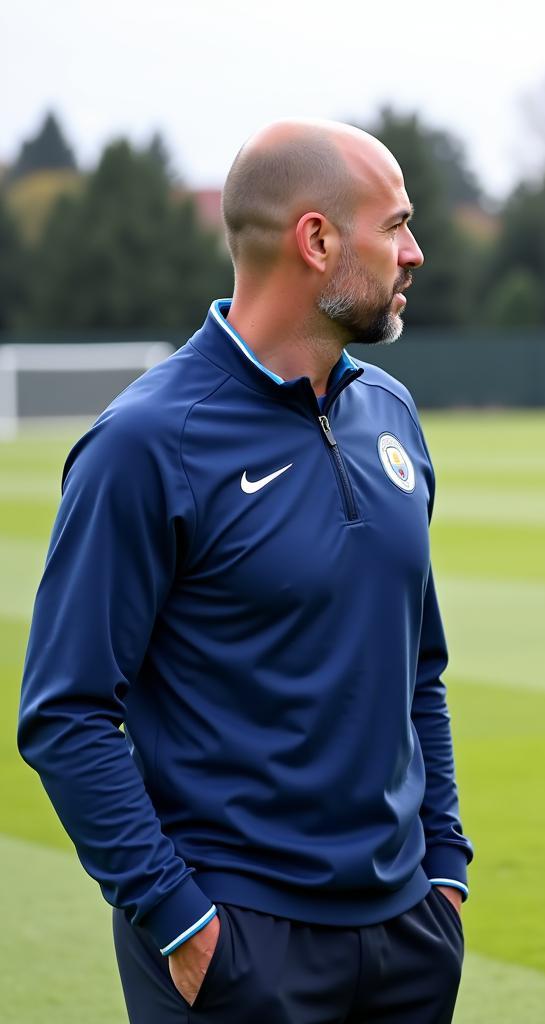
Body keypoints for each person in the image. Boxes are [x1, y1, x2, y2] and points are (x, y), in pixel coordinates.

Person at [18, 119, 471, 1024]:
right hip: (238, 947)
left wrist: (446, 872)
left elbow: (417, 668)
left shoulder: (392, 414)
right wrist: (183, 925)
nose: (415, 252)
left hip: (407, 937)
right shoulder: (145, 445)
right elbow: (66, 713)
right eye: (396, 225)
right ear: (316, 240)